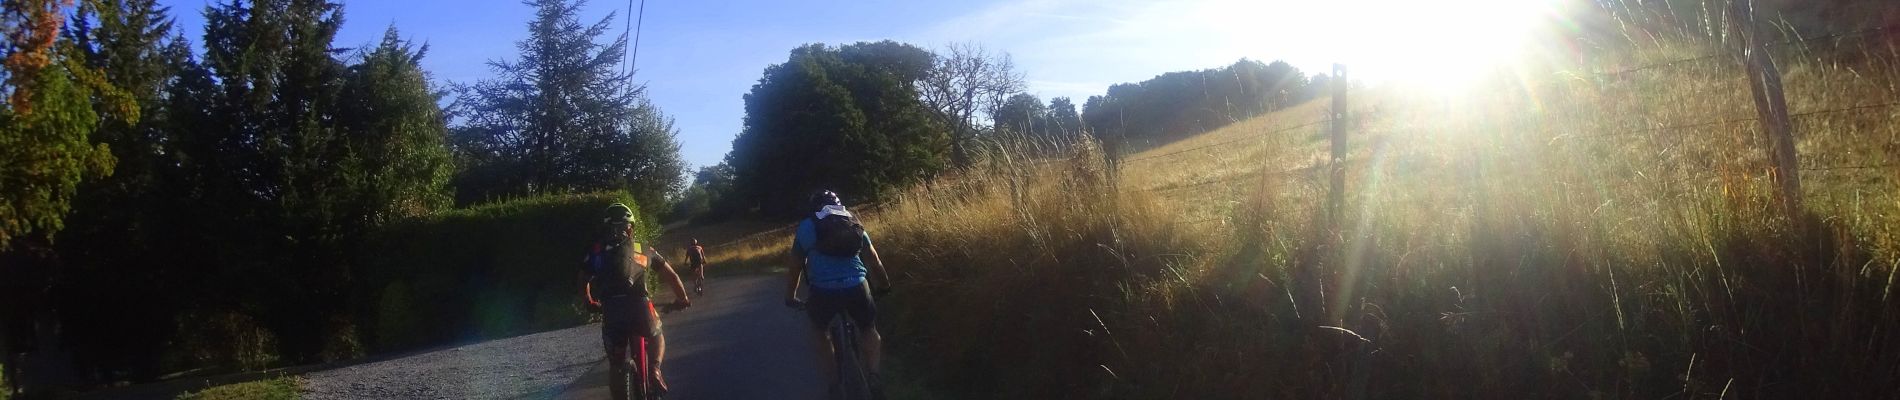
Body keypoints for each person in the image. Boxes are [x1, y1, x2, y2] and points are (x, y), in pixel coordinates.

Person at [784, 190, 893, 396]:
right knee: (868, 327)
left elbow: (795, 267)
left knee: (820, 332)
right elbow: (873, 259)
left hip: (823, 291)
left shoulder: (807, 227)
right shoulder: (852, 221)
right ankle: (874, 375)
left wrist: (791, 297)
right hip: (857, 286)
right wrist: (885, 285)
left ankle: (834, 385)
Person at [580, 203, 691, 398]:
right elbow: (671, 276)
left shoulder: (597, 251)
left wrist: (589, 301)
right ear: (630, 227)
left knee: (616, 364)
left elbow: (583, 279)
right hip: (640, 305)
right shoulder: (643, 249)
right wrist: (682, 299)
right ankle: (655, 369)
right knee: (656, 332)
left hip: (611, 309)